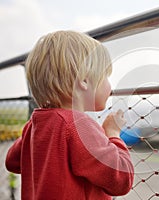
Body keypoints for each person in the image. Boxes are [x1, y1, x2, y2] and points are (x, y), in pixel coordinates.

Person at [5, 30, 134, 200]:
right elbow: (122, 180)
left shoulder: (36, 123)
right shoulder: (79, 126)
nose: (110, 85)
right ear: (84, 81)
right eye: (105, 77)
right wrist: (113, 134)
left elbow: (12, 162)